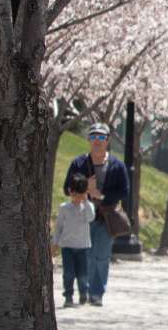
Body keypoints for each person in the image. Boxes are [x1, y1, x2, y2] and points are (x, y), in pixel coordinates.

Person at [63, 121, 130, 307]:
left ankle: (96, 292)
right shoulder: (79, 163)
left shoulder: (117, 165)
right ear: (88, 139)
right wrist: (86, 190)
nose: (97, 141)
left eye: (101, 137)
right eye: (93, 137)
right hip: (82, 217)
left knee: (101, 256)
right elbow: (67, 189)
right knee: (85, 255)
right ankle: (83, 290)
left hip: (105, 217)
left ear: (108, 140)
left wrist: (102, 195)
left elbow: (124, 191)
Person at [52, 173, 96, 307]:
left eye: (80, 194)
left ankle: (83, 293)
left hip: (83, 246)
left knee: (82, 274)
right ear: (70, 192)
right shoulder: (64, 208)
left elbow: (91, 218)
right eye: (74, 194)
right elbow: (59, 226)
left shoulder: (87, 207)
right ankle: (68, 296)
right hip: (67, 246)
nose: (77, 198)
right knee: (68, 274)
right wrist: (55, 243)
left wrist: (86, 200)